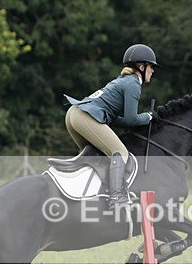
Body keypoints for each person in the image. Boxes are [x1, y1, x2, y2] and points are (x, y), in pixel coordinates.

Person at [64, 44, 158, 208]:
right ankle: (116, 198)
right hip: (84, 116)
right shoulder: (133, 84)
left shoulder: (122, 81)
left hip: (74, 114)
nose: (153, 71)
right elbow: (131, 120)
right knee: (120, 153)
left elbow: (116, 120)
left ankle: (86, 196)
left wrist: (141, 118)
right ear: (141, 67)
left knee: (95, 156)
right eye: (151, 66)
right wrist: (148, 117)